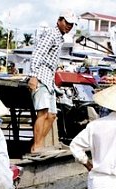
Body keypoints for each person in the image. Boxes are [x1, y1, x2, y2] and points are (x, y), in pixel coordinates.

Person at [27, 10, 77, 153]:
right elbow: (38, 54)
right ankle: (37, 146)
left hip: (49, 79)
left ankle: (38, 145)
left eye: (71, 24)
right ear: (59, 21)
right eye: (67, 23)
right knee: (42, 113)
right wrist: (33, 76)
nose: (69, 26)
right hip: (41, 75)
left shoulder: (59, 38)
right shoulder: (51, 34)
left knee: (52, 115)